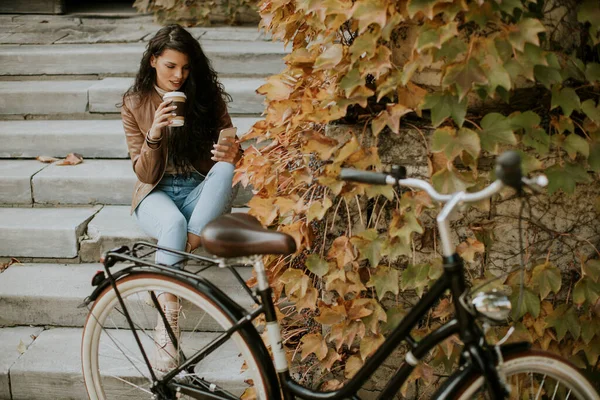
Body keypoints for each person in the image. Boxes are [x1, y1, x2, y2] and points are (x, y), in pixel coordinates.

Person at [120, 24, 241, 371]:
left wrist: (231, 151)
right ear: (153, 61)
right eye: (171, 66)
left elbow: (234, 156)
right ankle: (167, 329)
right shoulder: (134, 103)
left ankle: (162, 273)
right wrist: (155, 133)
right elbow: (143, 174)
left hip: (198, 189)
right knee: (171, 222)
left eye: (185, 68)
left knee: (225, 171)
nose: (179, 75)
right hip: (155, 193)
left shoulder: (206, 97)